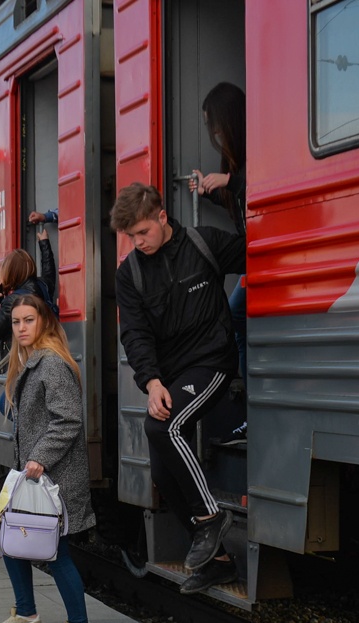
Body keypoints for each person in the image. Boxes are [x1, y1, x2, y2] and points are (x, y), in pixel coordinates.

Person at [111, 182, 246, 595]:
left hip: (213, 363)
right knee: (164, 472)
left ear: (162, 217)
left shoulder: (204, 243)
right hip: (170, 377)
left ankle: (211, 517)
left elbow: (259, 247)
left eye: (143, 233)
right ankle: (219, 560)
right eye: (132, 237)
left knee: (162, 429)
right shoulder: (129, 273)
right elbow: (134, 335)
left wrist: (233, 183)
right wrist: (151, 382)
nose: (138, 242)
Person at [0, 294, 97, 623]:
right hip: (38, 476)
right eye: (16, 322)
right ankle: (27, 615)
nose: (21, 328)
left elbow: (68, 420)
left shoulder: (51, 364)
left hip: (55, 478)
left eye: (28, 320)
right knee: (12, 541)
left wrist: (39, 458)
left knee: (56, 553)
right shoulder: (32, 362)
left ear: (44, 322)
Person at [190, 82, 248, 443]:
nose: (214, 135)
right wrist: (211, 191)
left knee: (234, 316)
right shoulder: (235, 160)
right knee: (236, 319)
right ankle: (250, 402)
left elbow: (266, 183)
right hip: (251, 258)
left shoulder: (254, 146)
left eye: (215, 126)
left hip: (261, 255)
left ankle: (253, 405)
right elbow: (238, 203)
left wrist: (228, 179)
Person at [0, 227, 58, 361]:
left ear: (11, 273)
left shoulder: (12, 301)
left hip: (22, 360)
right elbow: (49, 272)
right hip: (47, 352)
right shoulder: (44, 286)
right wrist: (44, 243)